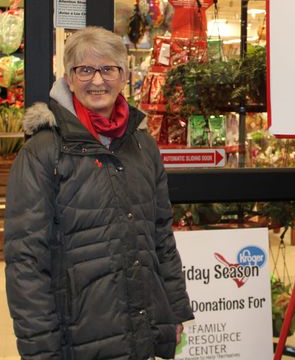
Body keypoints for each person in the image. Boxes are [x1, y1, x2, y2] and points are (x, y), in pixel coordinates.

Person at [4, 27, 193, 359]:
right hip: (77, 339)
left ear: (123, 76)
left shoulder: (142, 146)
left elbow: (160, 236)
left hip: (140, 331)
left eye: (108, 69)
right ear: (69, 78)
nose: (97, 81)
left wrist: (174, 311)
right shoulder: (44, 151)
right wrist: (39, 349)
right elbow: (25, 263)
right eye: (85, 69)